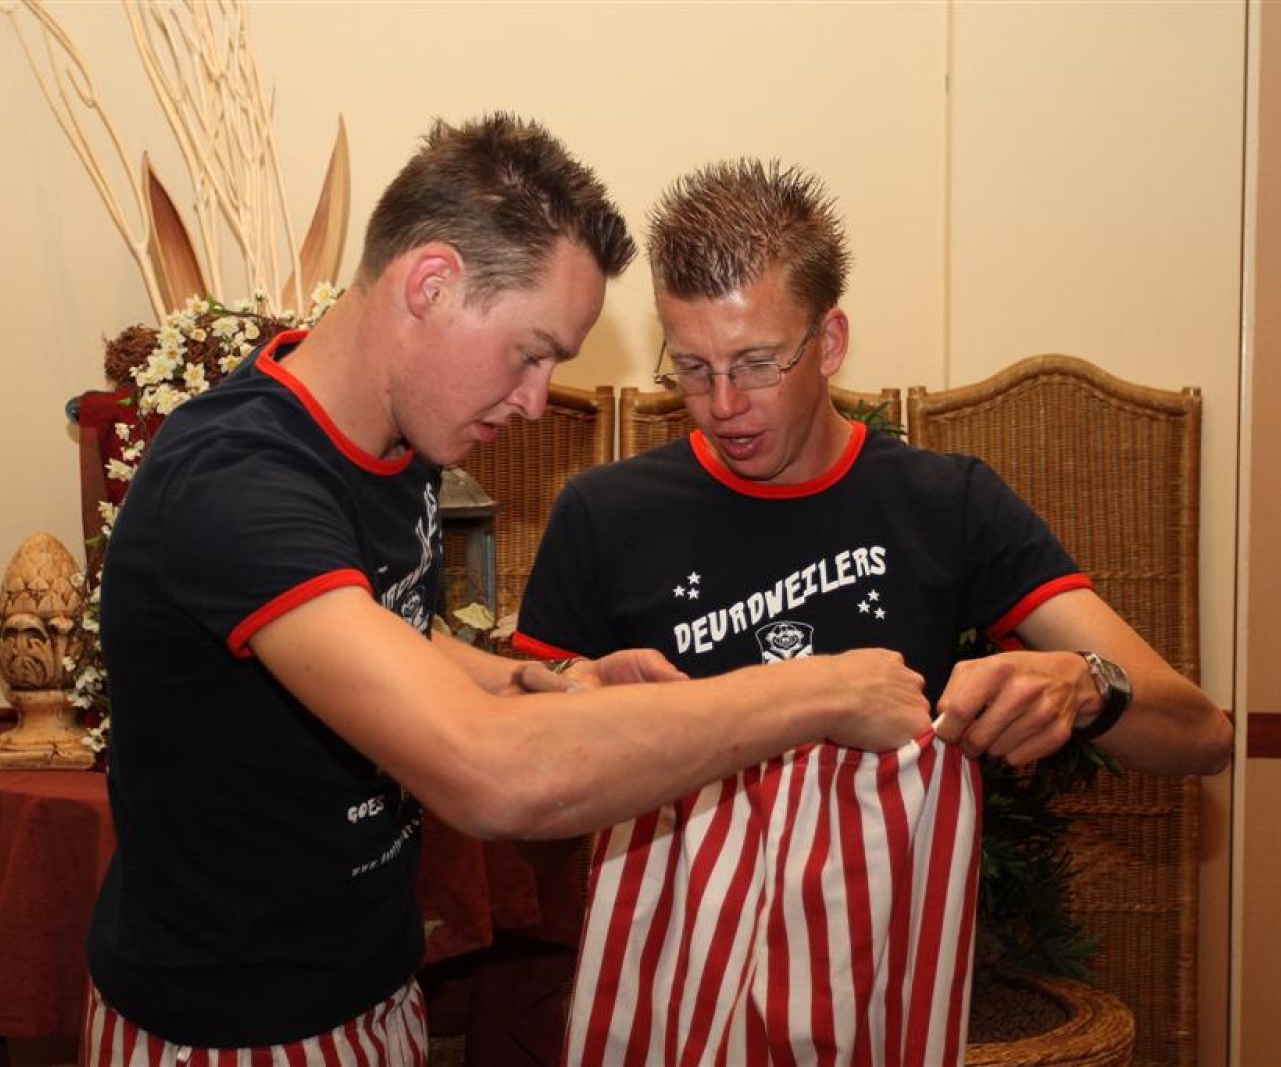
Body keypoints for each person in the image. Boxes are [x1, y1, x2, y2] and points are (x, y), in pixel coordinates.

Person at [83, 118, 938, 1067]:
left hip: (367, 985)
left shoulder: (393, 430)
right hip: (229, 1031)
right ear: (431, 284)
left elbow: (384, 629)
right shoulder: (236, 480)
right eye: (530, 353)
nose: (536, 400)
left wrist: (544, 682)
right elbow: (491, 778)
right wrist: (818, 689)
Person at [513, 159, 1233, 1065]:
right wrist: (579, 710)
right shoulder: (606, 514)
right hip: (667, 1001)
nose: (724, 405)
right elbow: (519, 812)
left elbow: (1202, 735)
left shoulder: (947, 505)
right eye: (692, 367)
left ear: (831, 340)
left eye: (758, 363)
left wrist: (1088, 686)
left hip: (873, 994)